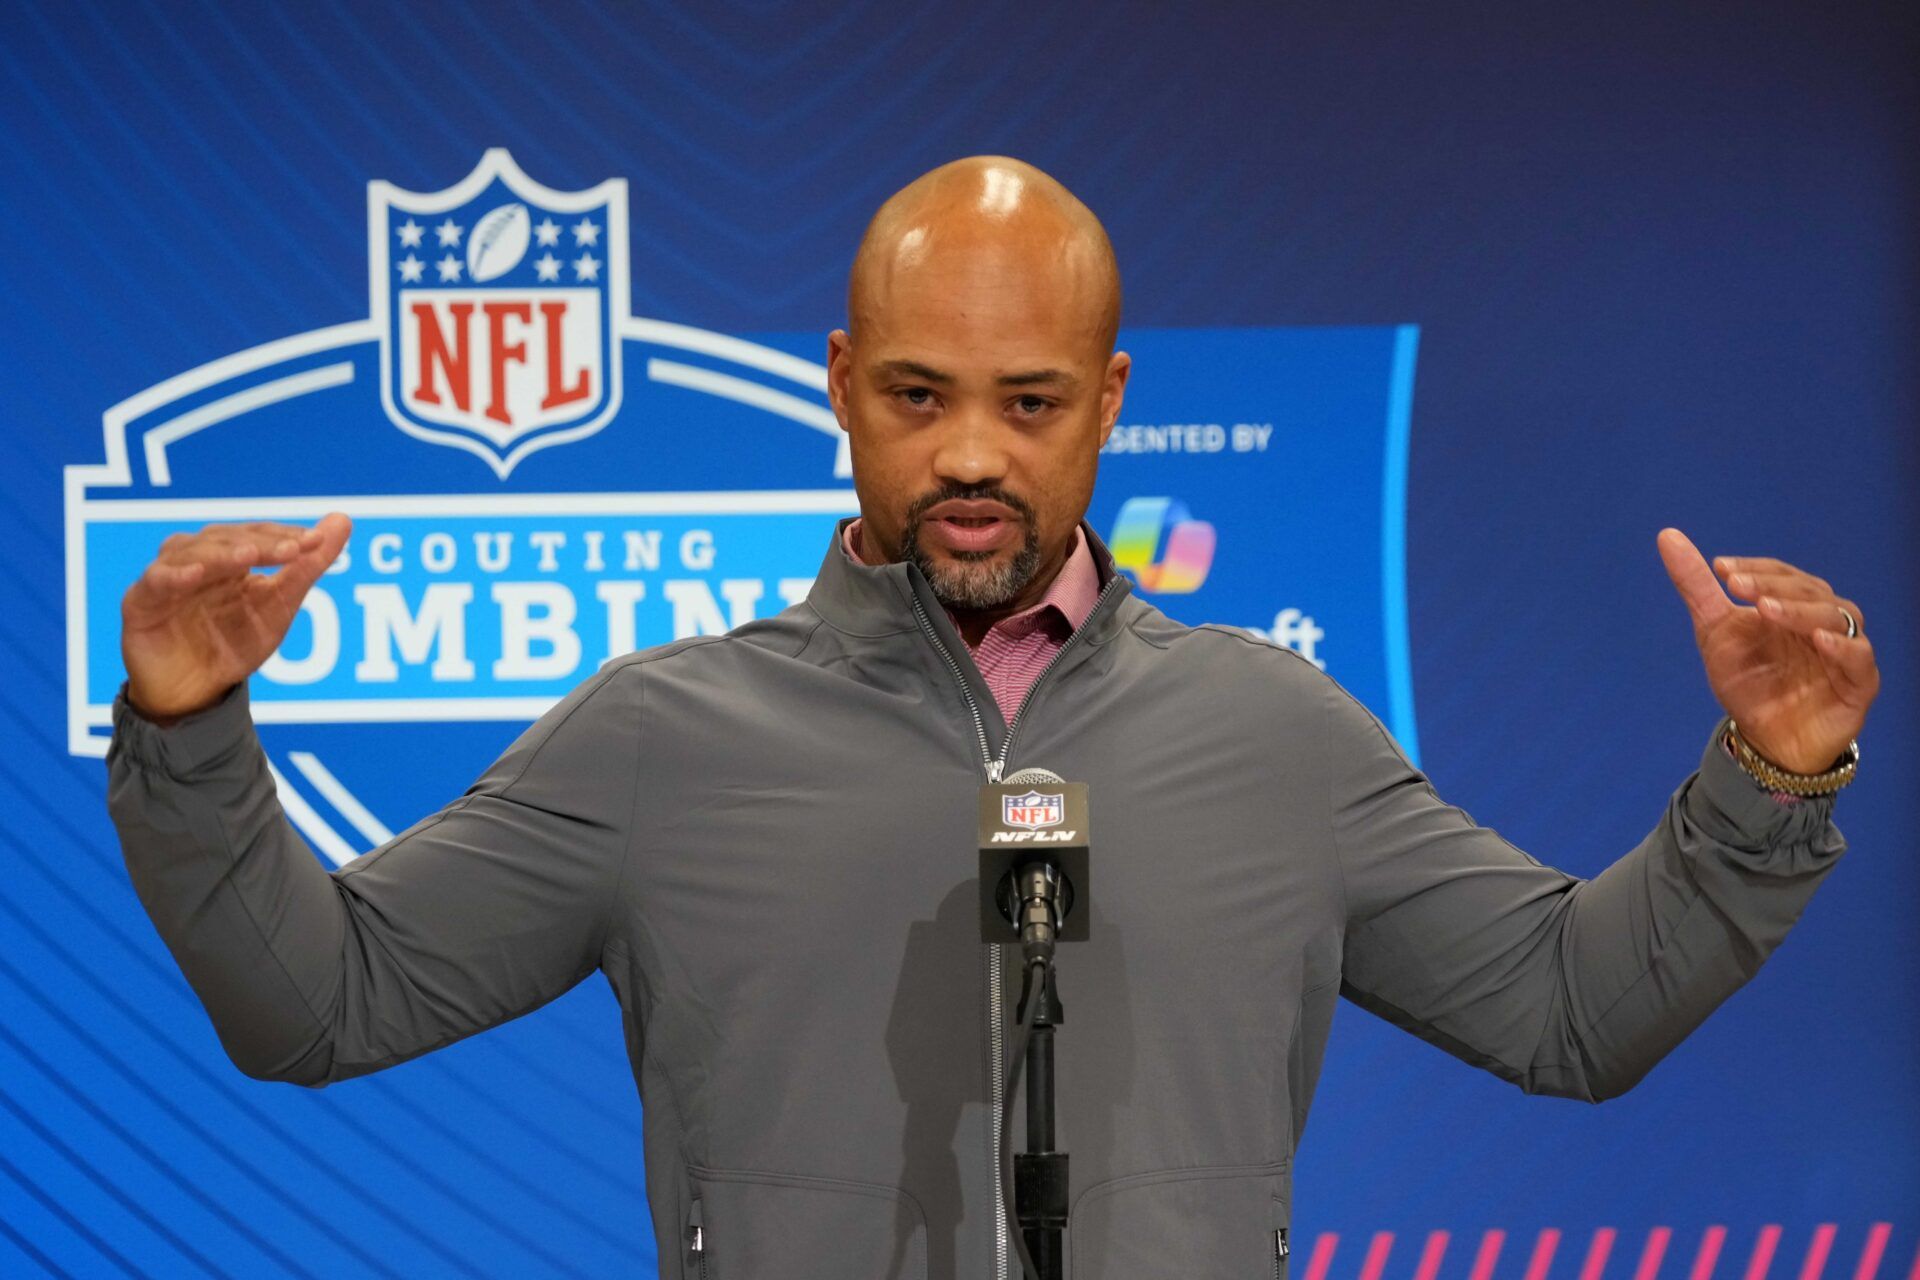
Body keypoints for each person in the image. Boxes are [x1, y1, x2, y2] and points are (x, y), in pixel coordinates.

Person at [107, 158, 1878, 1280]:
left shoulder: (1275, 731)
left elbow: (1572, 1012)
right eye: (917, 395)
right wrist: (191, 741)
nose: (969, 453)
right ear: (839, 389)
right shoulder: (664, 733)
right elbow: (315, 1004)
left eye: (1027, 402)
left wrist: (1767, 780)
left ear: (1107, 405)